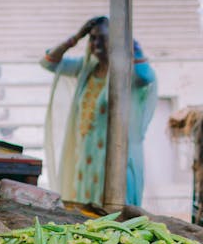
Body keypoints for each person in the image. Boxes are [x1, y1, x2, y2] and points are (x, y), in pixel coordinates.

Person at [41, 16, 157, 207]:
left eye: (102, 38)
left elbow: (146, 76)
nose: (96, 43)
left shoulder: (125, 72)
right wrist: (76, 37)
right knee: (86, 216)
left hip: (114, 162)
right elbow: (48, 62)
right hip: (85, 162)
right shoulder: (85, 68)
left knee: (114, 217)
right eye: (92, 38)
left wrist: (131, 44)